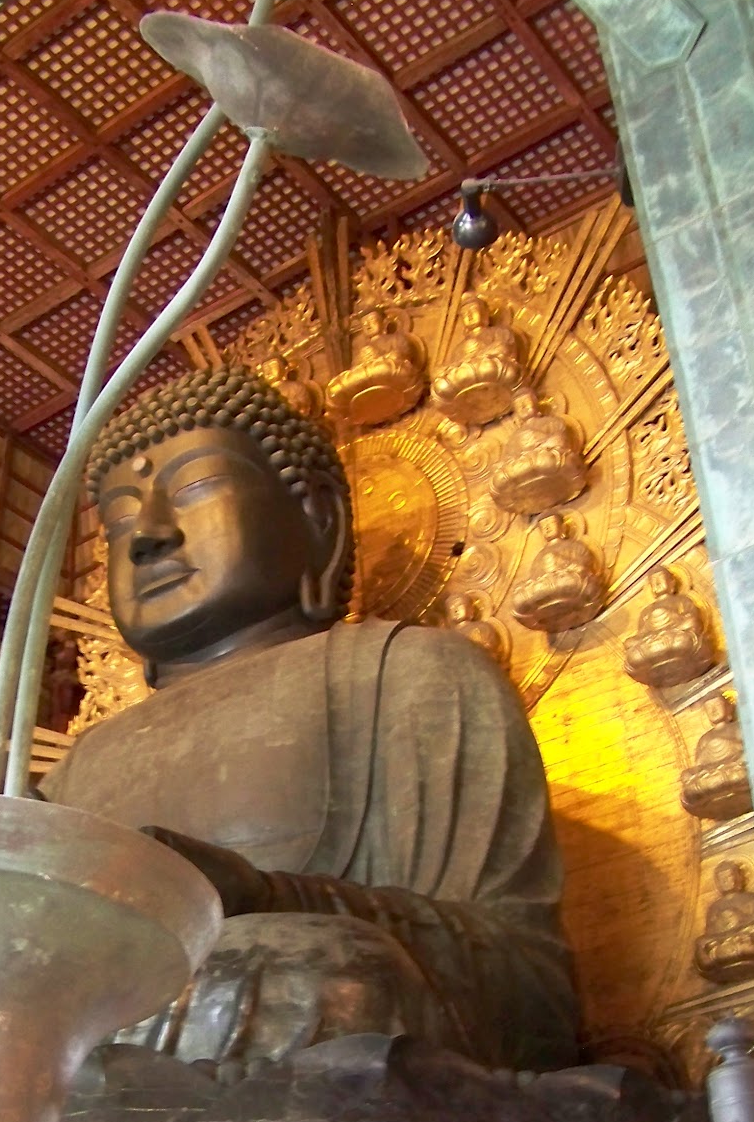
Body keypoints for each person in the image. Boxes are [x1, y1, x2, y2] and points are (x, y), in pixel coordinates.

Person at [41, 366, 579, 1073]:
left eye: (196, 488)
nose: (147, 536)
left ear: (318, 517)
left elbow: (535, 995)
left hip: (305, 1016)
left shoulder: (414, 675)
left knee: (319, 975)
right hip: (94, 1047)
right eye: (117, 521)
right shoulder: (80, 764)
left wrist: (265, 896)